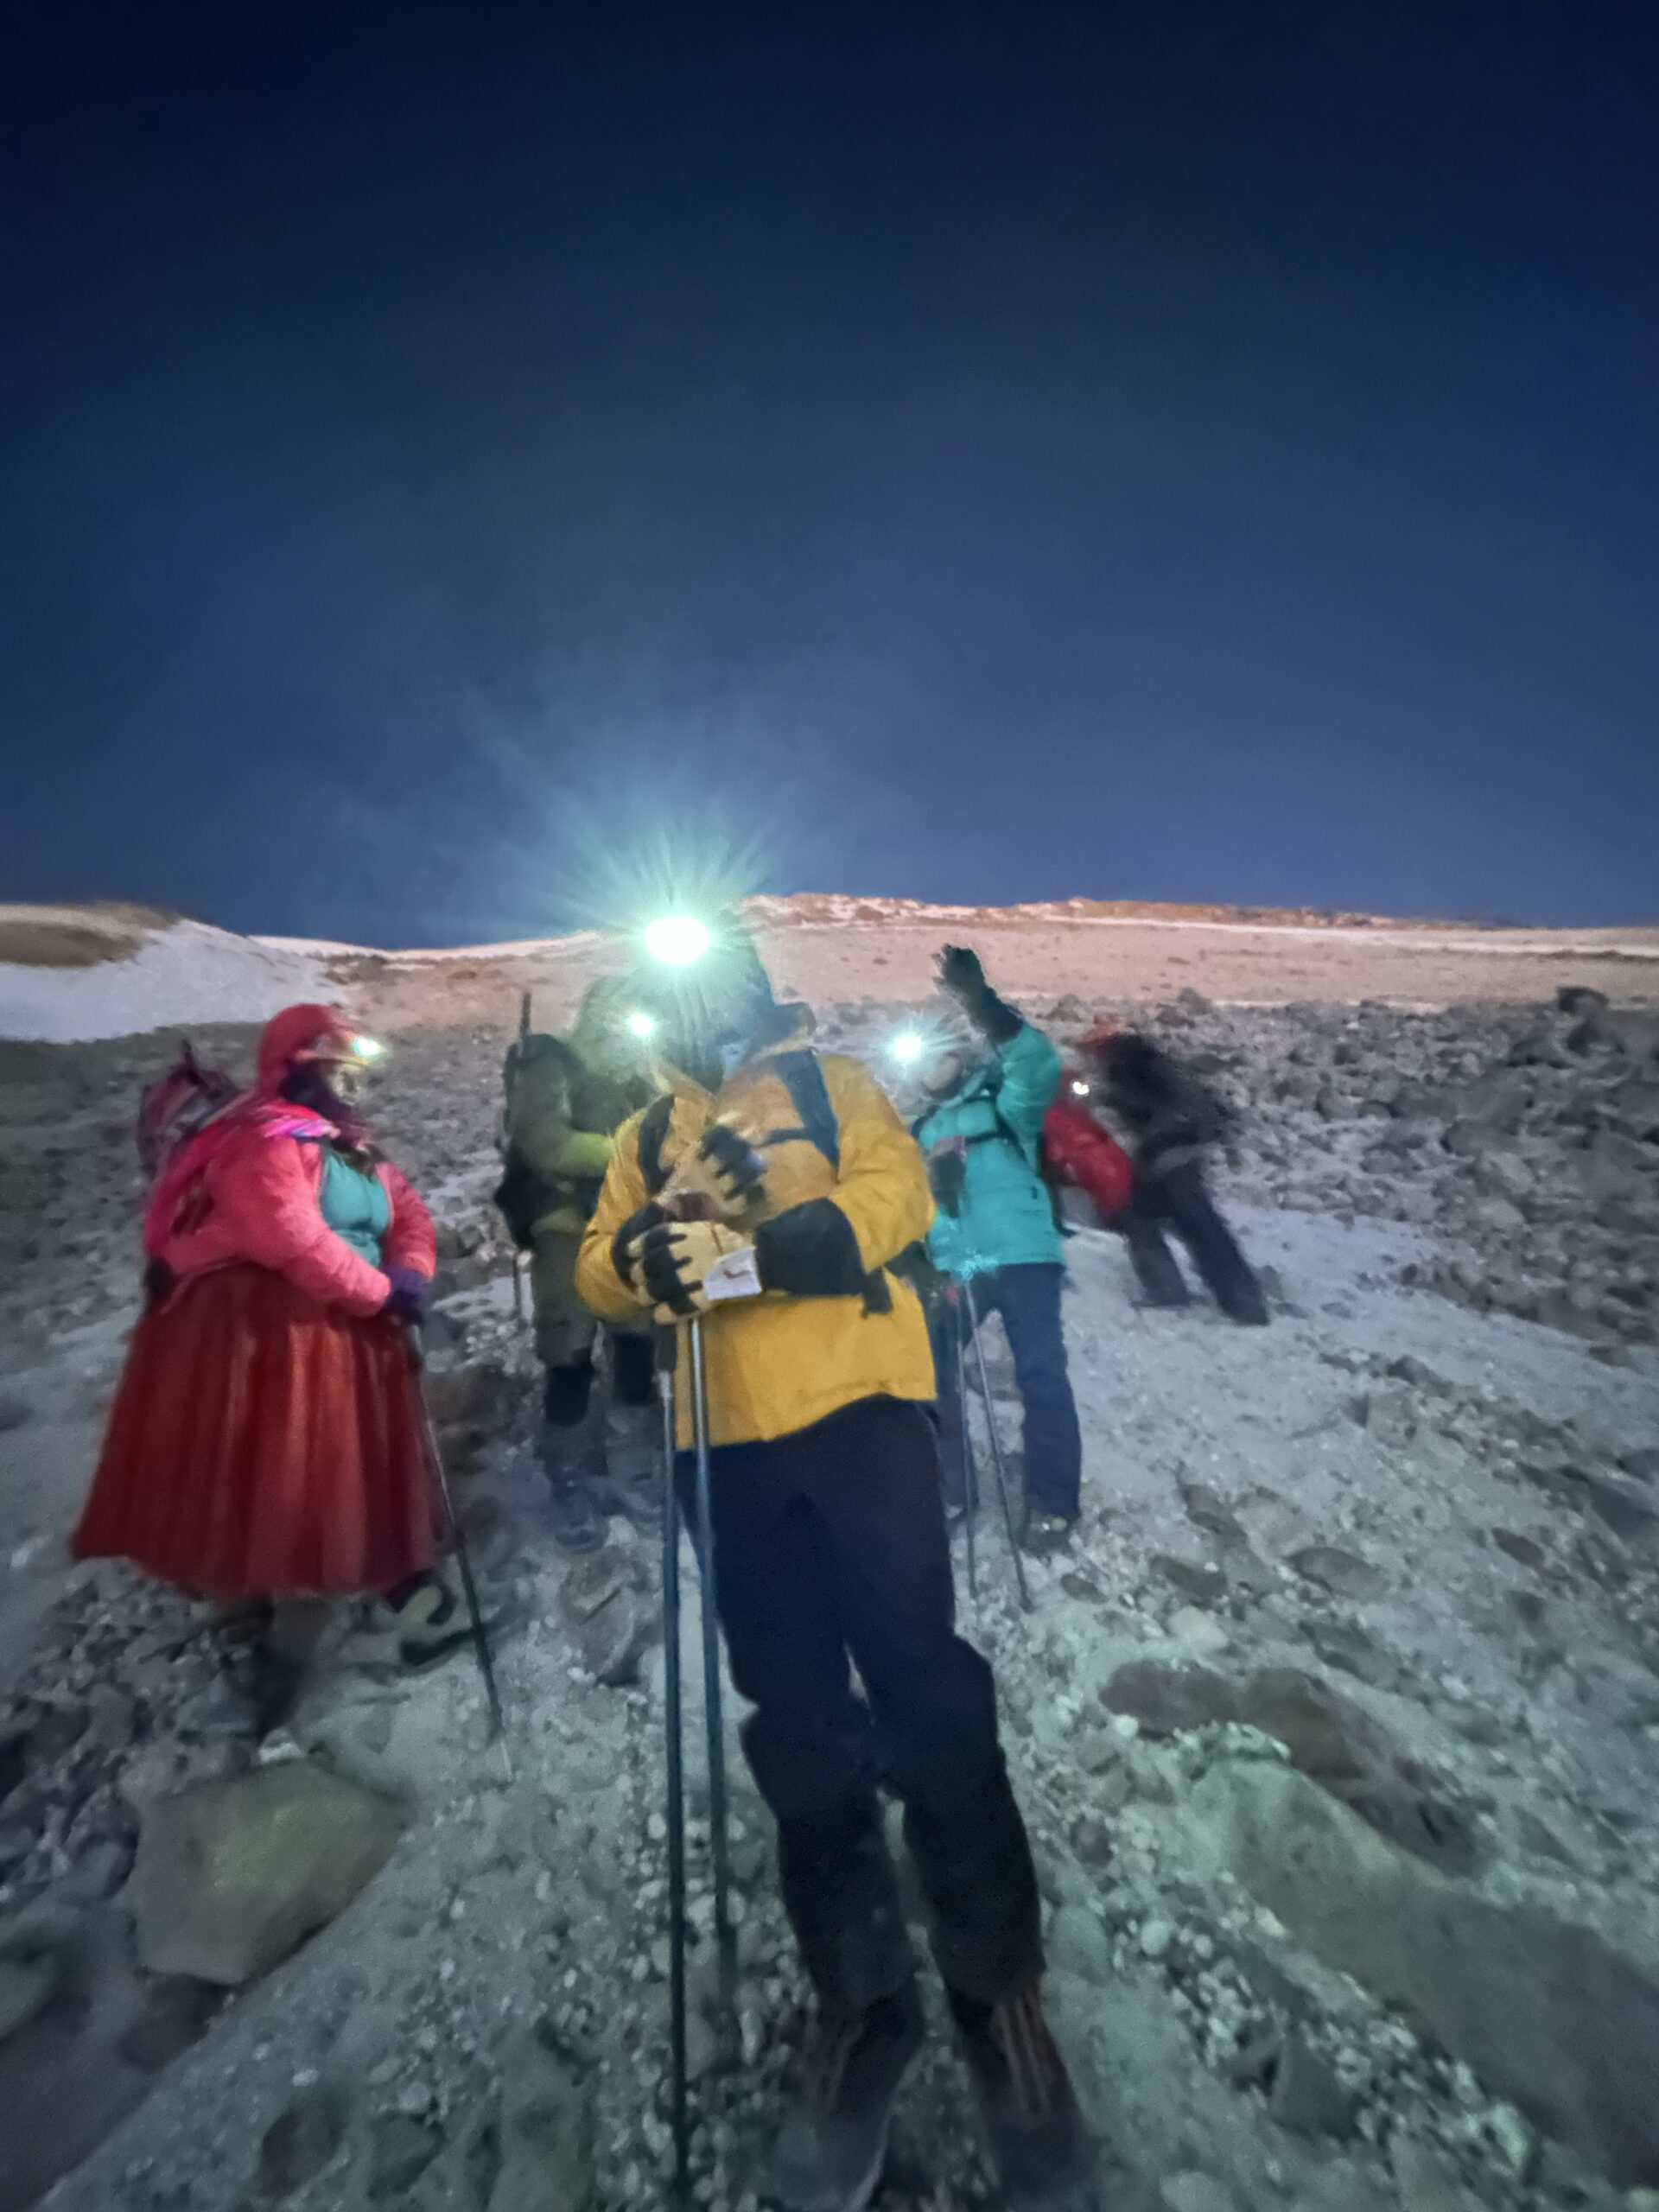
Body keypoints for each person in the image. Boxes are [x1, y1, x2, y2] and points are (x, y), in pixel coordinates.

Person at [575, 922, 1087, 2212]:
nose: (695, 1009)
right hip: (726, 1455)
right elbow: (600, 1267)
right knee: (794, 1720)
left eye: (711, 984)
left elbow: (894, 1196)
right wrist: (634, 1265)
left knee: (926, 1689)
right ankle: (863, 1999)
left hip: (859, 1415)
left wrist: (764, 1251)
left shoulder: (829, 1085)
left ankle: (995, 1993)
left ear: (748, 987)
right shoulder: (645, 1136)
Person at [73, 1004, 462, 1732]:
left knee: (335, 1474)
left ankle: (367, 1595)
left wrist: (409, 1273)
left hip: (342, 1330)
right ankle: (277, 1657)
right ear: (299, 1066)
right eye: (336, 1066)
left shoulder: (348, 1145)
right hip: (282, 1341)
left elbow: (408, 1215)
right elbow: (285, 1234)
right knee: (295, 1481)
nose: (350, 1080)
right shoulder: (260, 1136)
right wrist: (382, 1293)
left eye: (352, 1068)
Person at [909, 947, 1084, 1557]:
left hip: (1023, 1252)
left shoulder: (1003, 1103)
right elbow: (914, 1211)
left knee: (1040, 1371)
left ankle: (1053, 1501)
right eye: (923, 1059)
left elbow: (1037, 1061)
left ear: (962, 1054)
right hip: (963, 1263)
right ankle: (952, 1485)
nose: (934, 1067)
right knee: (929, 1366)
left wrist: (981, 1004)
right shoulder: (920, 1130)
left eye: (943, 1052)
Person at [495, 975, 659, 1552]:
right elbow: (546, 1143)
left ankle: (634, 1470)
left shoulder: (637, 1079)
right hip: (566, 1225)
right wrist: (632, 1152)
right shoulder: (551, 1063)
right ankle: (568, 1477)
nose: (624, 1025)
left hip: (625, 1227)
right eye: (617, 1013)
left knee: (636, 1348)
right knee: (569, 1356)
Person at [1080, 1025, 1268, 1325]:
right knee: (1186, 1223)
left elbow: (1144, 1105)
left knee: (1177, 1221)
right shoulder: (1151, 1059)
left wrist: (1103, 1097)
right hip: (1183, 1147)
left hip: (1170, 1150)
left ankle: (1196, 1293)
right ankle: (1240, 1295)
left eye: (1089, 1051)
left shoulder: (1126, 1065)